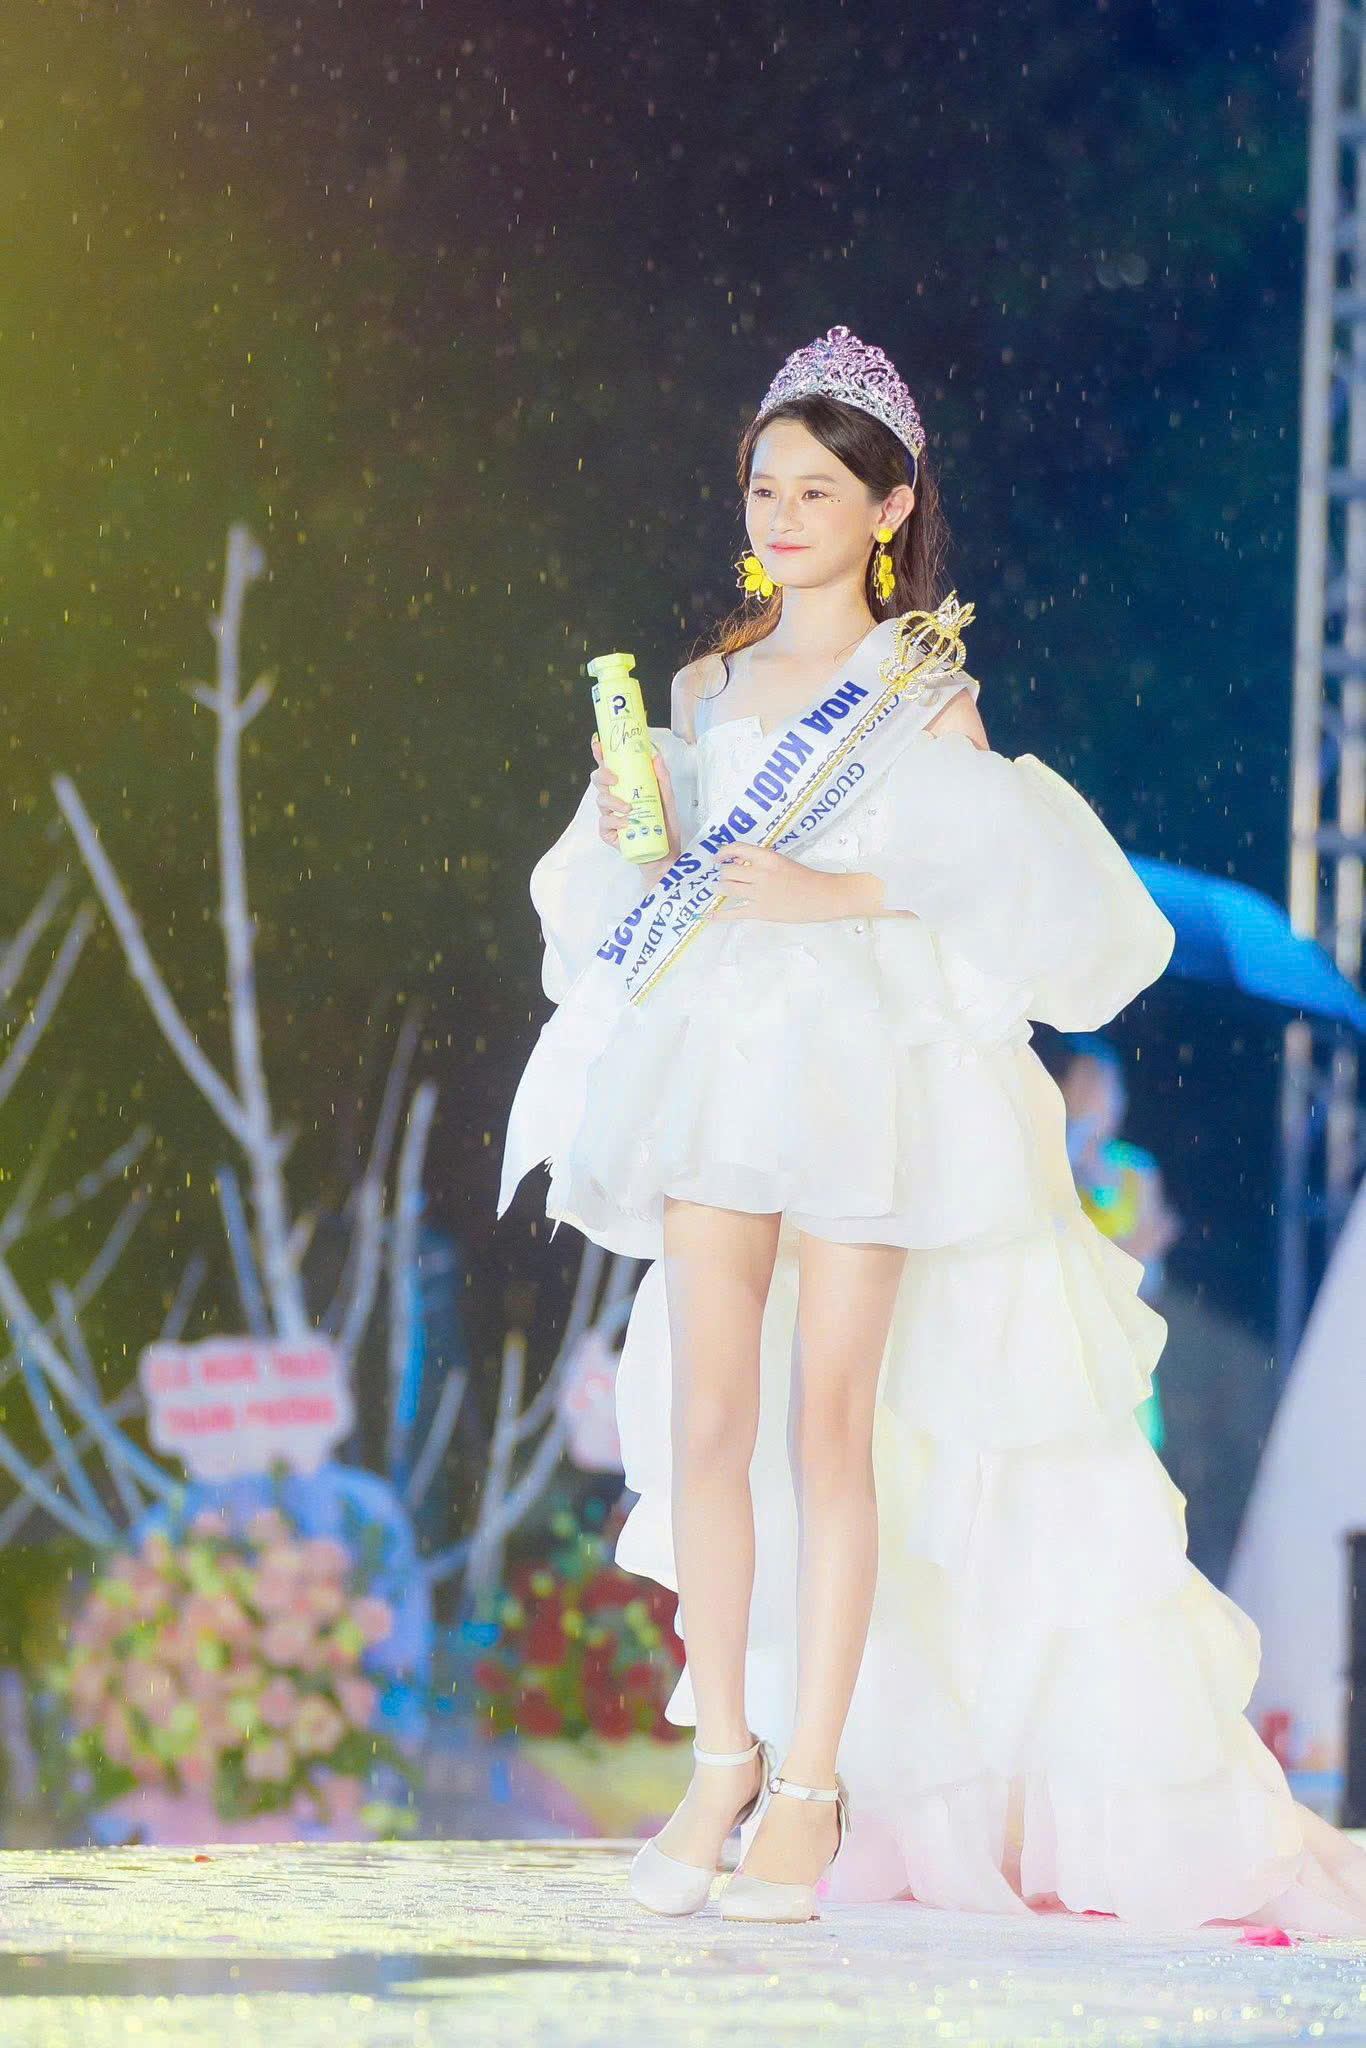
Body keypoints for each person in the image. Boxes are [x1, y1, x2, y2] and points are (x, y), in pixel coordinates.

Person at [498, 325, 1366, 1932]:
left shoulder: (923, 696)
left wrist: (832, 887)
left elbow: (999, 899)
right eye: (764, 487)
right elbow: (657, 890)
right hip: (716, 1062)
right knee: (706, 1423)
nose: (782, 516)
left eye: (817, 491)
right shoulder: (701, 687)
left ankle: (812, 1786)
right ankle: (722, 1760)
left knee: (832, 1434)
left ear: (888, 508)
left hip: (863, 1073)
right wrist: (638, 831)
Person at [1059, 1036, 1182, 1450]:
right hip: (1066, 1342)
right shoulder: (1053, 1167)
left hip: (1121, 1341)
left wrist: (1129, 1256)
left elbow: (1150, 1279)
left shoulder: (1136, 1171)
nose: (1096, 1099)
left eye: (1104, 1086)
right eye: (1084, 1085)